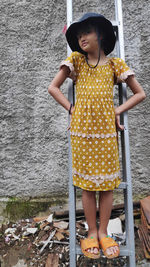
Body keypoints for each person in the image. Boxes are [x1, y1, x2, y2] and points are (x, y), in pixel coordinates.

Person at [48, 13, 146, 259]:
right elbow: (53, 87)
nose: (82, 38)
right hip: (82, 133)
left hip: (106, 134)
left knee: (108, 185)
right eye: (79, 35)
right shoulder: (76, 62)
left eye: (87, 33)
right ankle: (91, 232)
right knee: (88, 186)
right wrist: (72, 109)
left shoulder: (115, 65)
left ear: (101, 35)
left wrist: (117, 110)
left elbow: (140, 93)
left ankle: (104, 232)